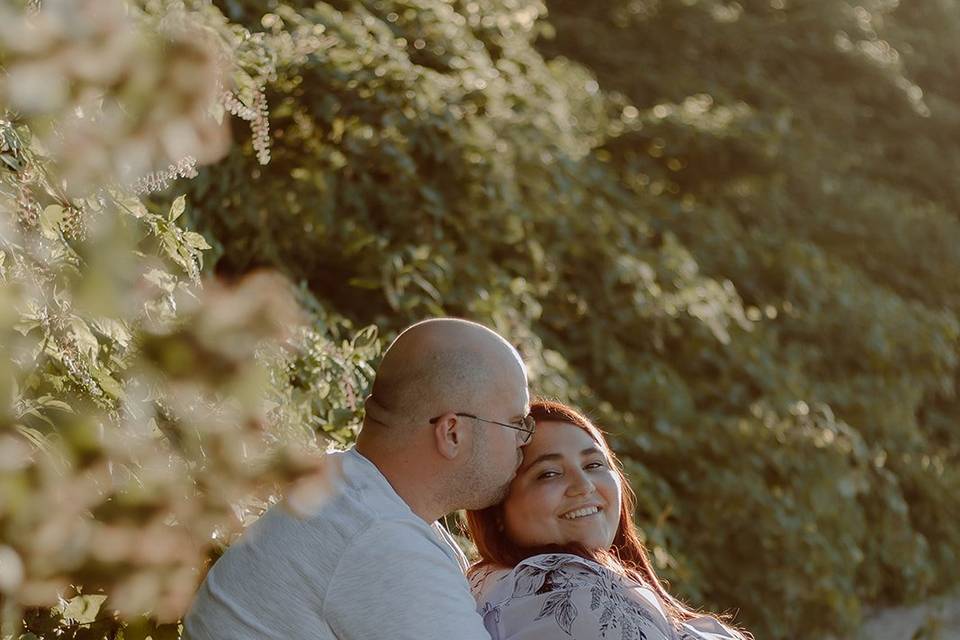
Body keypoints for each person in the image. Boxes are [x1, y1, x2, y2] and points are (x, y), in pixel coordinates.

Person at [184, 318, 533, 640]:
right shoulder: (381, 539)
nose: (524, 439)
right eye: (517, 423)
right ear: (453, 433)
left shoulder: (352, 497)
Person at [467, 400, 751, 640]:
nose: (584, 485)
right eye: (549, 473)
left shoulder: (498, 585)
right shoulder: (565, 595)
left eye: (593, 465)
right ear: (496, 509)